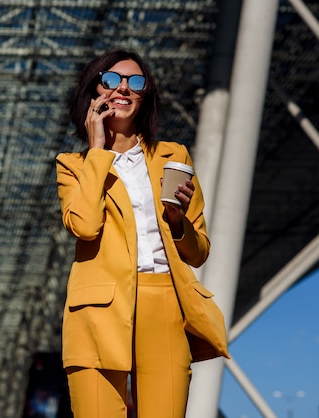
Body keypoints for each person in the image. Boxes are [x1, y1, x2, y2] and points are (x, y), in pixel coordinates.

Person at [55, 49, 229, 418]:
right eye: (111, 80)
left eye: (135, 81)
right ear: (94, 91)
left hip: (165, 303)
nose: (123, 88)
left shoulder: (173, 155)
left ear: (145, 93)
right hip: (97, 311)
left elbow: (198, 252)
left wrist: (177, 221)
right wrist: (98, 151)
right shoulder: (73, 166)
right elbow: (85, 226)